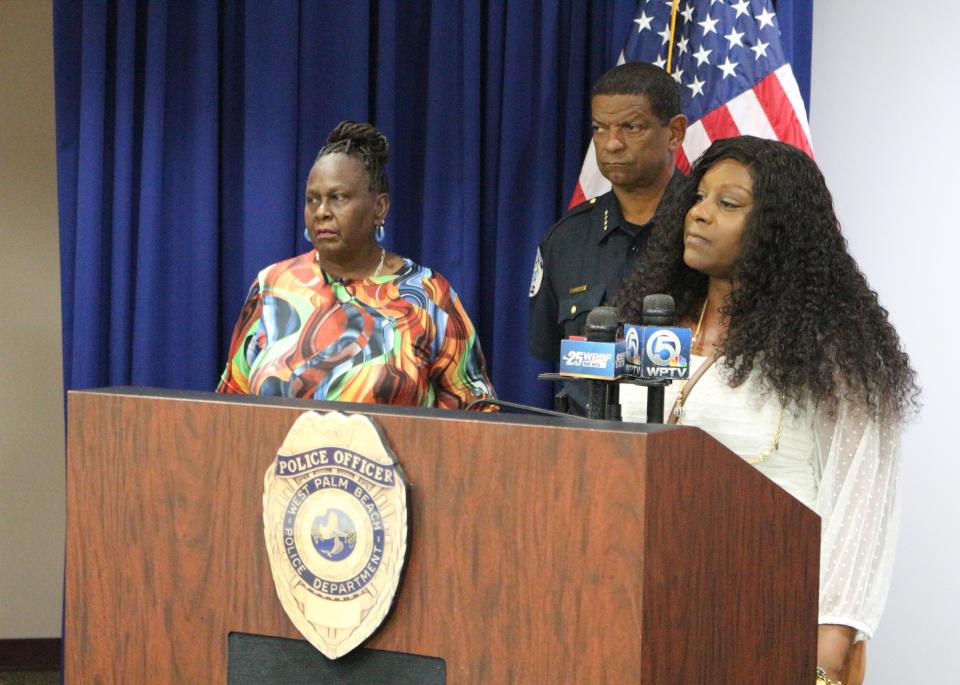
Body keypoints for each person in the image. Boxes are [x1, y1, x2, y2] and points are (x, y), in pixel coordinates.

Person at [616, 136, 918, 684]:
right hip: (643, 608)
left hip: (768, 617)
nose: (700, 214)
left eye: (728, 205)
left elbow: (860, 506)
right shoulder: (656, 324)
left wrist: (825, 655)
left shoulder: (834, 353)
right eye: (699, 197)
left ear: (778, 230)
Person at [218, 121, 496, 409]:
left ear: (380, 208)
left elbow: (476, 417)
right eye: (313, 200)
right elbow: (230, 405)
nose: (322, 212)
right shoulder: (273, 285)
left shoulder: (429, 296)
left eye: (337, 198)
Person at [528, 61, 687, 414]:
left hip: (686, 448)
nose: (612, 144)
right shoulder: (565, 240)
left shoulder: (707, 230)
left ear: (674, 133)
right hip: (590, 448)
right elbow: (547, 350)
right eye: (600, 128)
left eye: (632, 127)